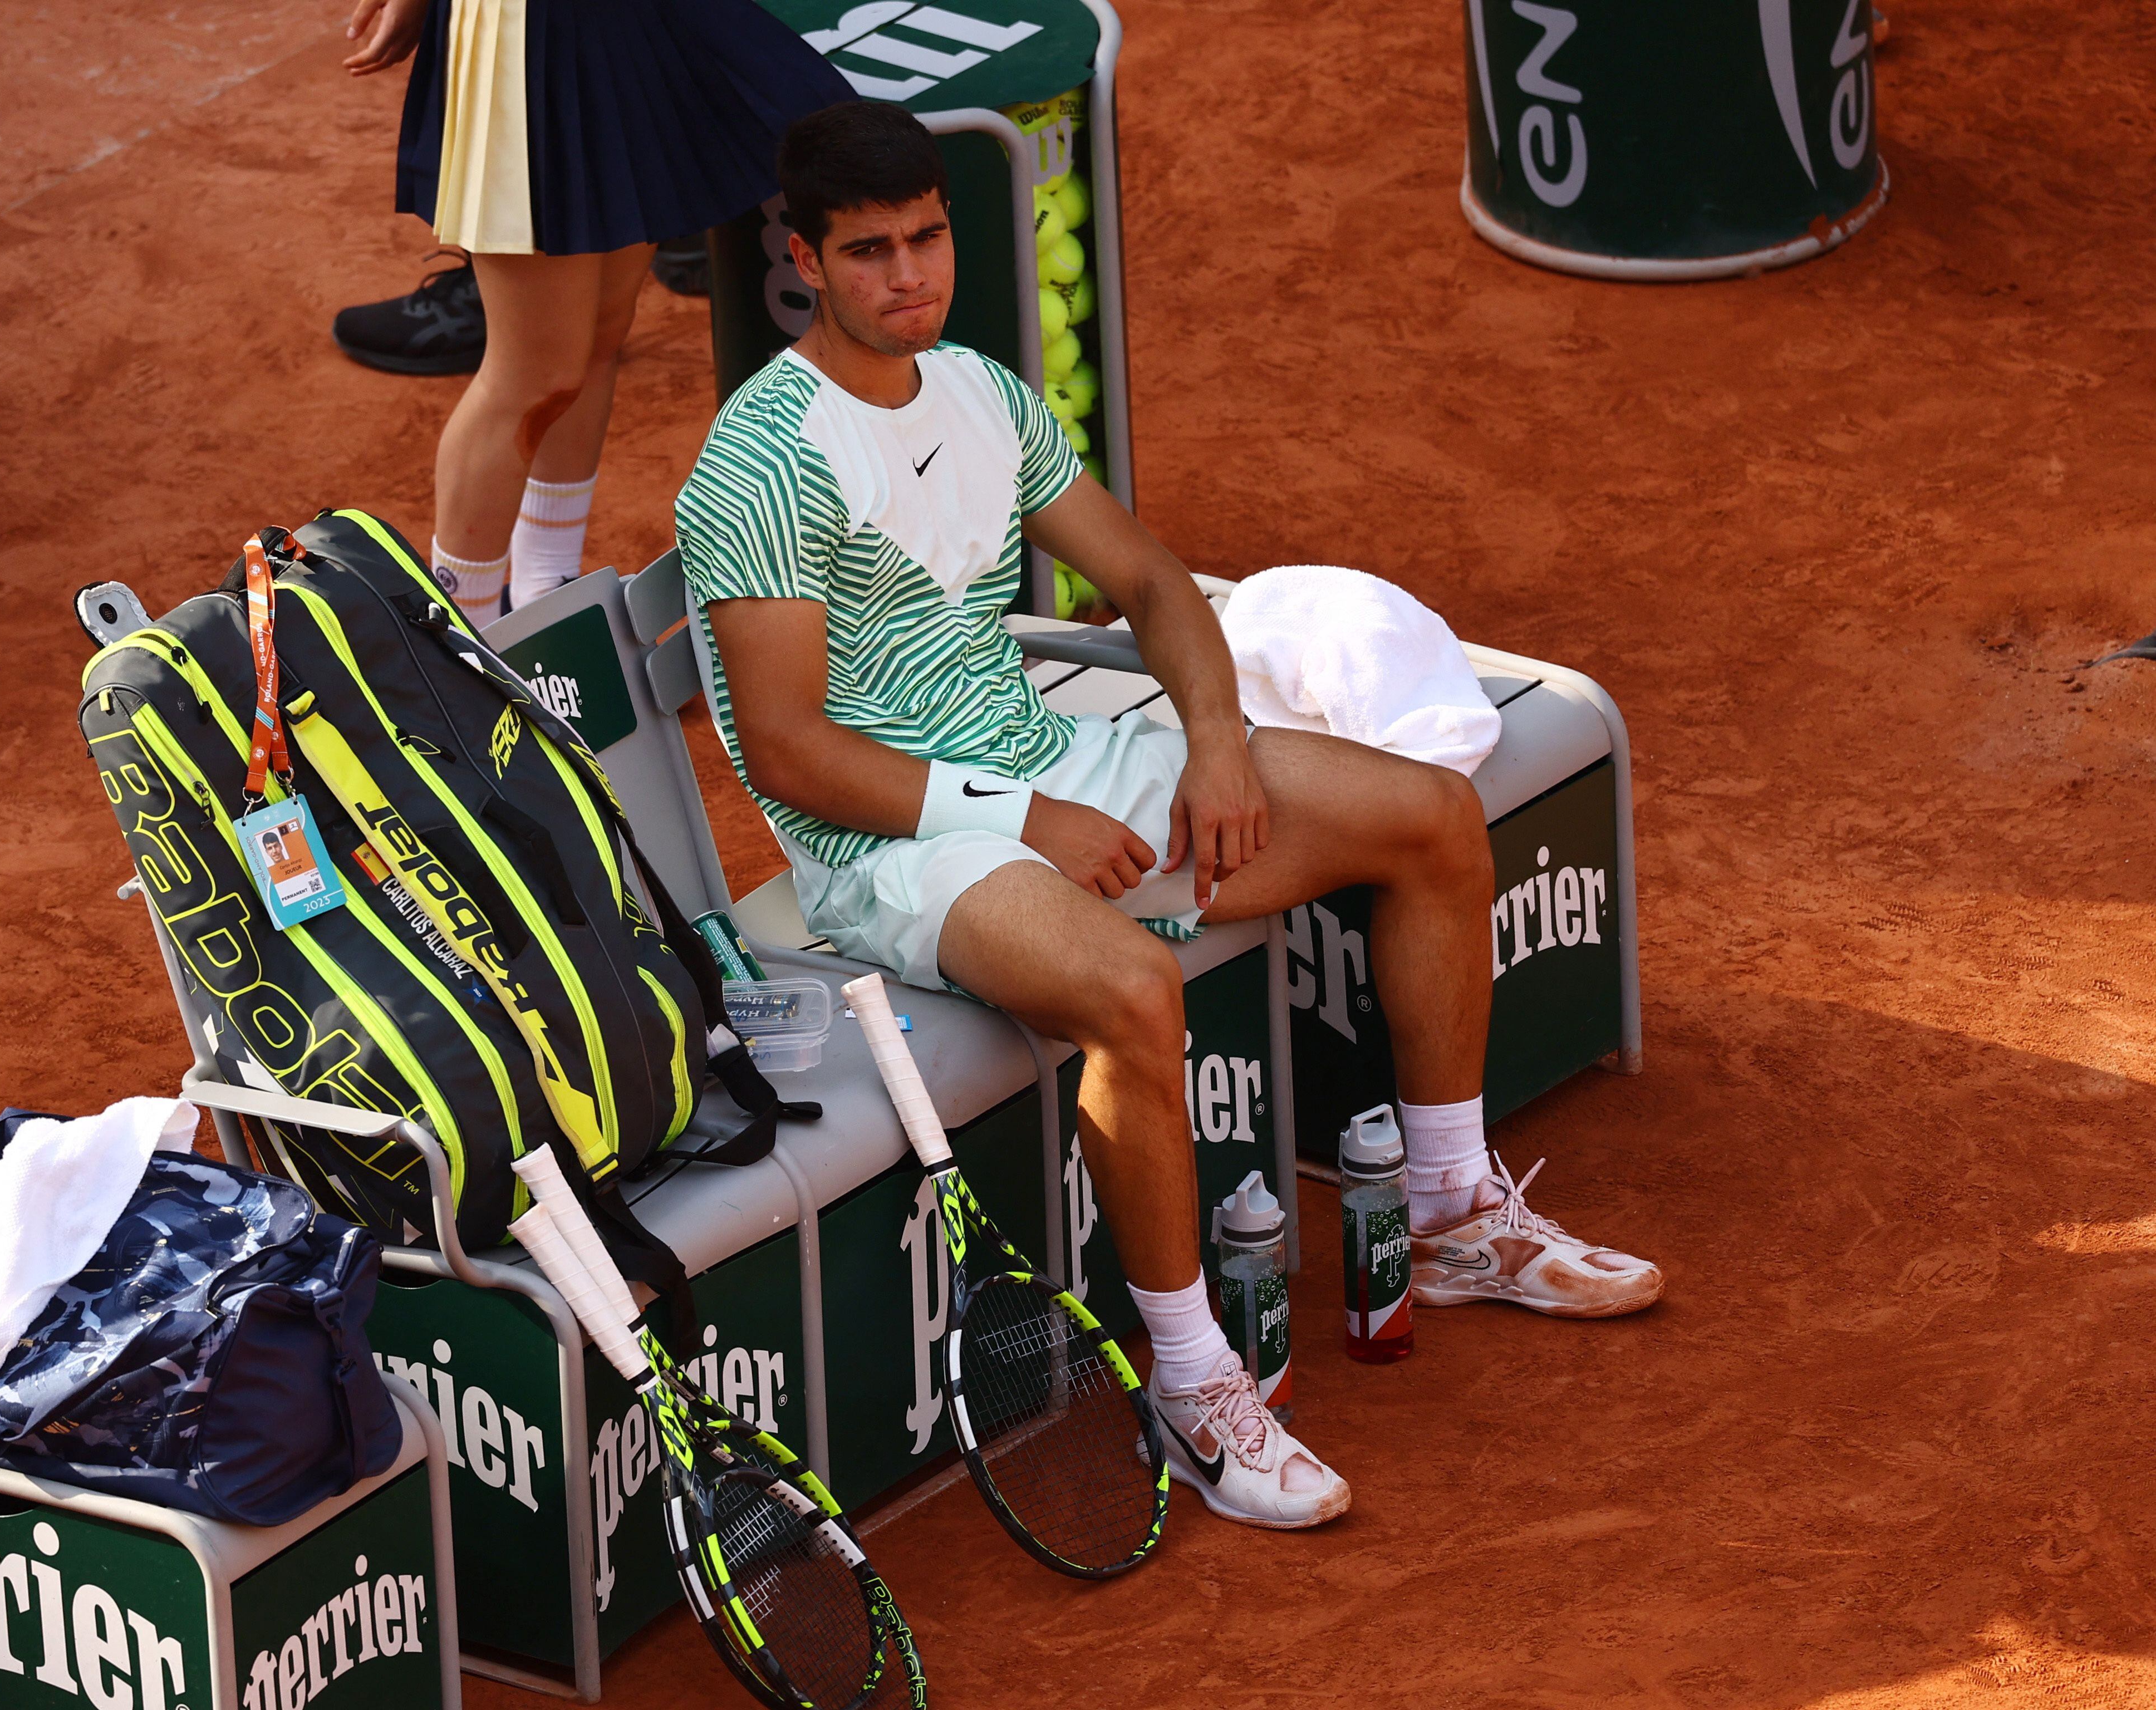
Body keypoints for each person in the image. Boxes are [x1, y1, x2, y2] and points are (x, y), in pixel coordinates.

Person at [674, 102, 1664, 1534]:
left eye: (928, 238)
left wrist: (1211, 746)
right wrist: (1024, 814)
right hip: (891, 848)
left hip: (1044, 769)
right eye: (868, 252)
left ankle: (1448, 1219)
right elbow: (790, 754)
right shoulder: (760, 465)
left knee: (1431, 818)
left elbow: (1148, 581)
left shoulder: (977, 393)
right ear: (802, 262)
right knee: (1131, 991)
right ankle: (1194, 1386)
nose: (909, 275)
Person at [335, 0, 851, 623]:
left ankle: (545, 591)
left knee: (599, 337)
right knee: (531, 376)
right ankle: (463, 641)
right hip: (529, 33)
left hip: (626, 25)